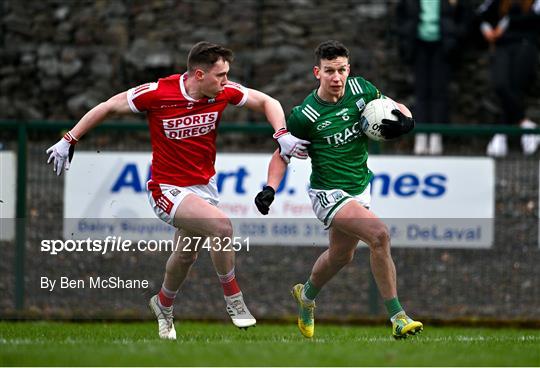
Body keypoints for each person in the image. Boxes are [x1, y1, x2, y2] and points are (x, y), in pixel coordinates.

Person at [46, 41, 310, 340]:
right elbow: (109, 106)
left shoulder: (223, 92)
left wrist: (282, 134)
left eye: (227, 75)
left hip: (203, 188)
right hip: (166, 189)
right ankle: (234, 300)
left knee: (185, 256)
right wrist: (70, 139)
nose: (226, 82)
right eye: (220, 75)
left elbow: (268, 102)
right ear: (199, 74)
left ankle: (163, 304)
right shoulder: (158, 93)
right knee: (222, 227)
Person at [254, 41, 422, 339]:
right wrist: (270, 188)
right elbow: (281, 153)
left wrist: (406, 121)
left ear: (349, 69)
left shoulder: (362, 90)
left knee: (340, 256)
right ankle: (397, 316)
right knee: (379, 235)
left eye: (341, 70)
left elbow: (394, 107)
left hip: (358, 188)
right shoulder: (305, 115)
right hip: (327, 193)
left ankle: (306, 296)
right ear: (317, 72)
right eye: (329, 71)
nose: (336, 77)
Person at [396, 0, 471, 155]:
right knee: (421, 93)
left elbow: (466, 16)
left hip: (443, 46)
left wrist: (455, 34)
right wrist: (406, 33)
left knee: (439, 93)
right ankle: (421, 134)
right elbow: (400, 15)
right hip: (418, 45)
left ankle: (437, 136)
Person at [477, 0, 540, 157]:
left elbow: (533, 19)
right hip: (503, 47)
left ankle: (501, 134)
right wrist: (487, 29)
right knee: (500, 85)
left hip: (526, 45)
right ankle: (525, 125)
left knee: (516, 90)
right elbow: (481, 14)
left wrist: (506, 23)